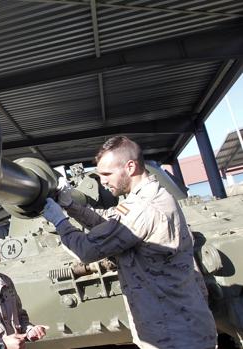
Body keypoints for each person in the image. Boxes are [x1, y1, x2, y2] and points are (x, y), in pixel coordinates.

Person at [42, 135, 216, 349]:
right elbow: (110, 223)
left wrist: (60, 221)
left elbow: (87, 250)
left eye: (106, 174)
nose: (102, 180)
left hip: (175, 334)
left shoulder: (145, 208)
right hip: (175, 328)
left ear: (131, 166)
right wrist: (71, 206)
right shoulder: (143, 199)